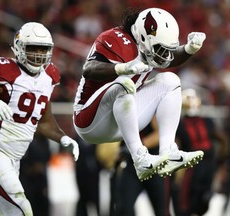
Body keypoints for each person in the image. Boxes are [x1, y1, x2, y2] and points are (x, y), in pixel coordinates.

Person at [0, 22, 79, 216]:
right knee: (21, 209)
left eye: (43, 49)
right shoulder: (3, 71)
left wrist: (62, 138)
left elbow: (43, 120)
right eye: (33, 48)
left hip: (14, 159)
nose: (38, 54)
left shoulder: (49, 76)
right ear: (19, 48)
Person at [73, 7, 205, 181]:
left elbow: (169, 58)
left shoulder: (148, 45)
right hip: (90, 120)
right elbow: (88, 69)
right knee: (124, 83)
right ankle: (139, 158)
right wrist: (121, 68)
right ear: (143, 38)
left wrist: (189, 48)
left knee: (171, 81)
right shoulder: (114, 39)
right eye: (160, 48)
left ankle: (168, 151)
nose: (164, 54)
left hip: (122, 121)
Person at [171, 88, 228, 216]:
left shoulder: (180, 124)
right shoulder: (206, 121)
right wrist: (220, 163)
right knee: (201, 200)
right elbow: (223, 141)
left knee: (186, 203)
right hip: (207, 164)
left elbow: (175, 147)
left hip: (192, 166)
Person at [110, 118, 171, 216]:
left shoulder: (150, 107)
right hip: (132, 165)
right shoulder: (124, 106)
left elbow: (160, 134)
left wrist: (138, 147)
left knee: (162, 211)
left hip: (153, 165)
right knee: (123, 209)